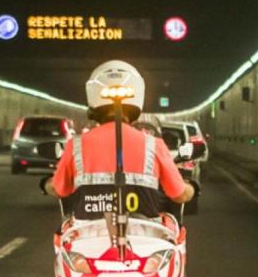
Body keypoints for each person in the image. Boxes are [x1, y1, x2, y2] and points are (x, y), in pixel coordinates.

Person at [44, 60, 194, 217]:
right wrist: (191, 187)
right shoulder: (154, 145)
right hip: (145, 235)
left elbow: (60, 189)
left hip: (87, 235)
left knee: (64, 236)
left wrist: (47, 184)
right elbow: (179, 195)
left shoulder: (76, 145)